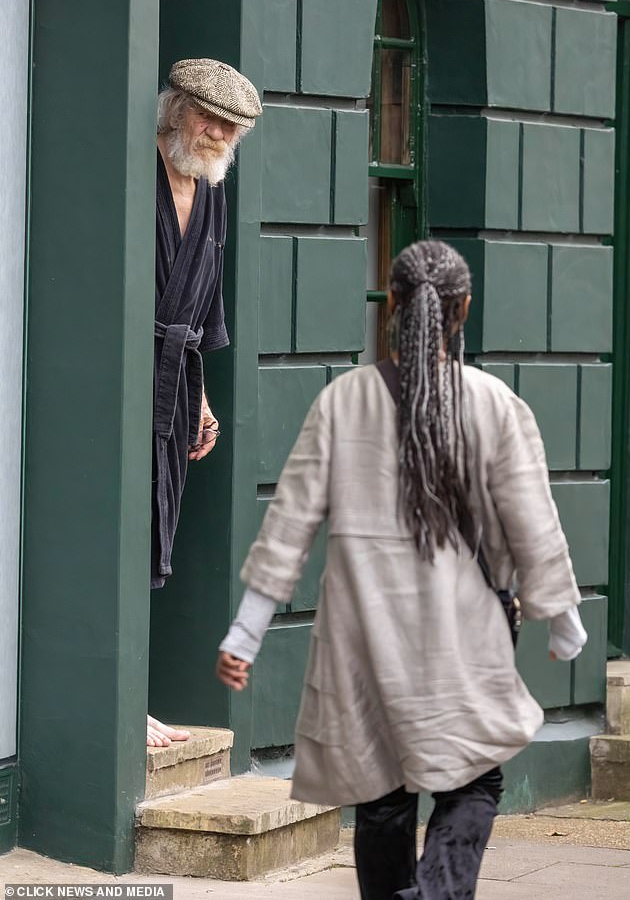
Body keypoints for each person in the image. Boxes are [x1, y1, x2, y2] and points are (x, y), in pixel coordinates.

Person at [216, 240, 587, 899]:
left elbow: (288, 526)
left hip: (363, 643)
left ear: (392, 302)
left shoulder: (342, 402)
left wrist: (245, 634)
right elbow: (535, 523)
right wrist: (564, 621)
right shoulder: (494, 404)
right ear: (462, 309)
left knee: (381, 796)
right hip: (466, 636)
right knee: (472, 780)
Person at [148, 58, 262, 748]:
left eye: (231, 126)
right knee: (116, 536)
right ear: (175, 109)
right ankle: (114, 703)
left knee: (154, 535)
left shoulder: (213, 191)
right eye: (208, 116)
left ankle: (135, 696)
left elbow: (204, 303)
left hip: (175, 386)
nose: (217, 132)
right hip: (122, 380)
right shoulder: (137, 171)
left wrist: (201, 399)